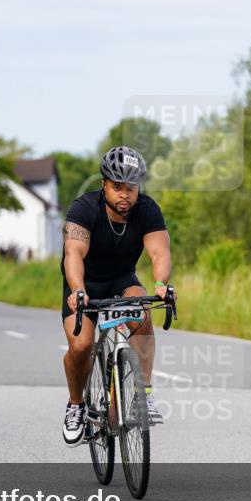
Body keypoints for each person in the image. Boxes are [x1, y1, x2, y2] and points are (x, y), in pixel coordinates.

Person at [60, 146, 172, 446]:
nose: (125, 194)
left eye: (131, 188)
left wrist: (161, 284)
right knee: (82, 346)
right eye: (117, 187)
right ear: (104, 185)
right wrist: (78, 290)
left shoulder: (147, 210)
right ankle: (75, 406)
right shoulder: (84, 209)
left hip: (122, 280)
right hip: (84, 286)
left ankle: (143, 397)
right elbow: (74, 254)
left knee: (142, 313)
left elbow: (159, 251)